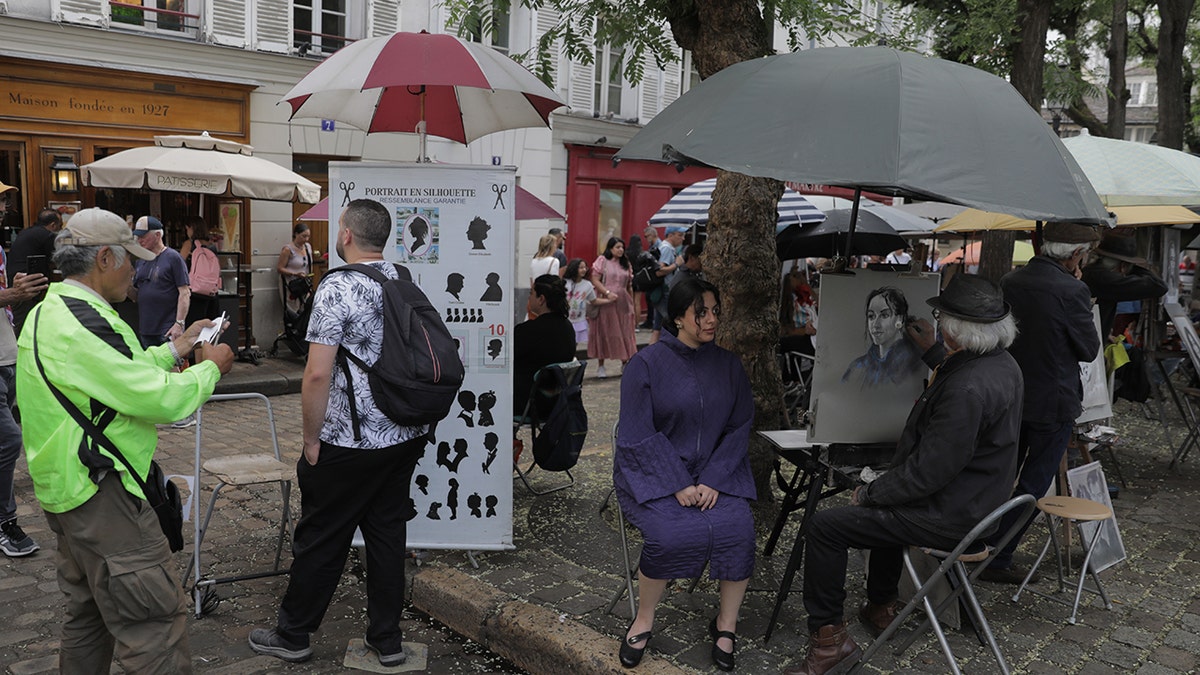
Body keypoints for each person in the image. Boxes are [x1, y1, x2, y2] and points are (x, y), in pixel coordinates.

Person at [15, 207, 233, 673]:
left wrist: (178, 347)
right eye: (130, 260)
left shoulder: (51, 310)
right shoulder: (85, 323)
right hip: (103, 493)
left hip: (68, 488)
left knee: (89, 616)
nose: (135, 271)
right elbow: (158, 399)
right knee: (153, 624)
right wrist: (212, 369)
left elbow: (116, 376)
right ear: (104, 259)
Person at [783, 274, 1022, 675]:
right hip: (978, 504)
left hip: (951, 516)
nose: (937, 323)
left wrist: (871, 492)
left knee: (826, 527)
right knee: (890, 501)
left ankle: (829, 645)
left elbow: (928, 474)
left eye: (941, 318)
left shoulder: (967, 389)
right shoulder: (1002, 364)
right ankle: (880, 604)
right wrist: (934, 354)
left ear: (956, 330)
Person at [249, 199, 428, 668]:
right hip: (402, 434)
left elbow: (316, 374)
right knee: (387, 536)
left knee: (322, 537)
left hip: (349, 440)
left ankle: (293, 634)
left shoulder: (337, 285)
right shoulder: (403, 278)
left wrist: (311, 440)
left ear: (346, 234)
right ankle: (387, 640)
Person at [615, 278, 754, 672]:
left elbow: (739, 426)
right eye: (701, 312)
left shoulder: (729, 365)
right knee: (669, 535)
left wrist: (713, 478)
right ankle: (643, 619)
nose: (711, 320)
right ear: (678, 317)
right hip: (654, 477)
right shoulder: (645, 364)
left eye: (715, 311)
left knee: (739, 529)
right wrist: (676, 482)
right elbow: (636, 433)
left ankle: (726, 625)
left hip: (716, 477)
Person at [979, 222, 1101, 584]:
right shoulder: (1073, 289)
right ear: (1076, 254)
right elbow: (1088, 349)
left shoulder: (1012, 280)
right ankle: (998, 556)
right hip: (1053, 402)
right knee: (1033, 484)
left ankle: (978, 545)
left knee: (999, 476)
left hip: (1012, 394)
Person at [0, 183, 49, 557]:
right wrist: (12, 294)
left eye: (5, 199)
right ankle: (5, 523)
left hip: (7, 355)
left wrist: (15, 292)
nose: (4, 206)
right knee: (9, 439)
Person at [1080, 233, 1168, 340]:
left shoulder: (1092, 273)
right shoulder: (1104, 279)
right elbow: (1158, 286)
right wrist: (1132, 268)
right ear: (1123, 266)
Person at [513, 274, 577, 417]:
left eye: (531, 294)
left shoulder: (528, 331)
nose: (529, 298)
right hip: (558, 402)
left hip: (528, 403)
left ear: (541, 299)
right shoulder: (567, 328)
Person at [840, 286, 924, 388]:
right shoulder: (858, 367)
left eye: (884, 315)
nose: (875, 325)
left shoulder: (916, 364)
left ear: (900, 319)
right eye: (871, 316)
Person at [130, 216, 190, 349]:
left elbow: (185, 292)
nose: (139, 240)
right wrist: (126, 284)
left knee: (171, 361)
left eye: (143, 236)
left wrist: (179, 323)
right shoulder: (140, 260)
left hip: (168, 328)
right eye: (138, 237)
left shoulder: (173, 257)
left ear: (157, 235)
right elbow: (136, 296)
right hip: (146, 328)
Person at [7, 207, 62, 335]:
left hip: (13, 278)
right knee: (24, 322)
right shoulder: (47, 235)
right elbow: (57, 259)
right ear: (53, 225)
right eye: (60, 226)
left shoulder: (27, 232)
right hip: (27, 282)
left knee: (18, 318)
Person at [588, 237, 637, 378]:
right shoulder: (602, 261)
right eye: (617, 247)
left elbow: (629, 285)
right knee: (604, 330)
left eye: (622, 247)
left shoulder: (625, 263)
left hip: (623, 301)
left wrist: (632, 303)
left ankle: (625, 362)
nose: (620, 250)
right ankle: (601, 365)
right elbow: (595, 279)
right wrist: (607, 293)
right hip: (606, 302)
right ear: (610, 248)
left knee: (624, 331)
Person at [649, 225, 686, 344]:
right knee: (673, 323)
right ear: (670, 235)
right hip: (665, 291)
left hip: (662, 290)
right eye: (680, 235)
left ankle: (651, 352)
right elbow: (659, 271)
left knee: (657, 328)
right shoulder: (667, 248)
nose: (683, 238)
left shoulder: (664, 247)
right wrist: (677, 264)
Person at [182, 216, 221, 326]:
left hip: (195, 292)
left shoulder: (189, 244)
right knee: (210, 327)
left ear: (191, 228)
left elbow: (179, 264)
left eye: (187, 229)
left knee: (194, 327)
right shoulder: (212, 246)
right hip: (212, 292)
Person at [564, 258, 612, 344]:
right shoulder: (565, 283)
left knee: (574, 344)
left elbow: (594, 300)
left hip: (579, 321)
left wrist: (608, 300)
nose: (584, 270)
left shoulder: (587, 285)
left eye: (585, 267)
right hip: (565, 320)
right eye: (581, 267)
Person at [277, 222, 313, 313]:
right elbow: (280, 268)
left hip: (304, 284)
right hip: (291, 284)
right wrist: (295, 274)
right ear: (296, 234)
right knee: (292, 311)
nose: (306, 239)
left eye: (308, 236)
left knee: (305, 308)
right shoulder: (287, 249)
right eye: (303, 236)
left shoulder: (308, 247)